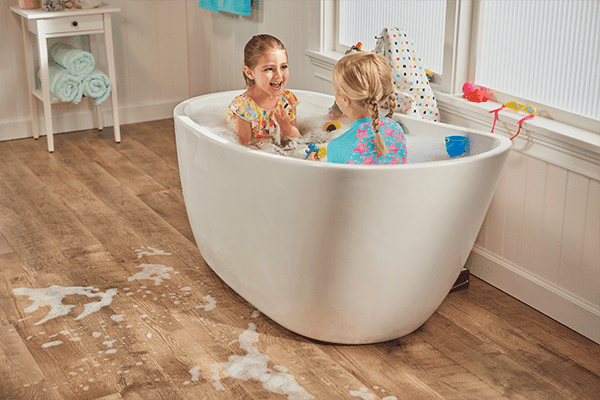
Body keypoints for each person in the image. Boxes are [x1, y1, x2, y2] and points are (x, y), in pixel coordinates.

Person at [311, 52, 407, 165]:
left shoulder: (337, 147)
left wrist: (313, 165)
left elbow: (330, 182)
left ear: (344, 99)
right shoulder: (396, 130)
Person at [226, 34, 300, 145]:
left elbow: (299, 139)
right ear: (249, 73)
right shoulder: (244, 108)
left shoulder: (288, 100)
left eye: (283, 67)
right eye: (269, 69)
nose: (279, 76)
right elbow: (245, 149)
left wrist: (287, 127)